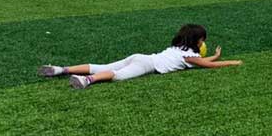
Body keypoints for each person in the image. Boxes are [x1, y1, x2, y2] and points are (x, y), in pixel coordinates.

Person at [37, 24, 242, 89]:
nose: (202, 43)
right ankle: (87, 80)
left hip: (141, 56)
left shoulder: (179, 48)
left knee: (102, 65)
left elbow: (202, 62)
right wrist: (230, 61)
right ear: (195, 41)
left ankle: (61, 69)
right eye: (201, 40)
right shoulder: (189, 56)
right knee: (117, 75)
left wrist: (213, 56)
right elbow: (206, 65)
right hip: (146, 65)